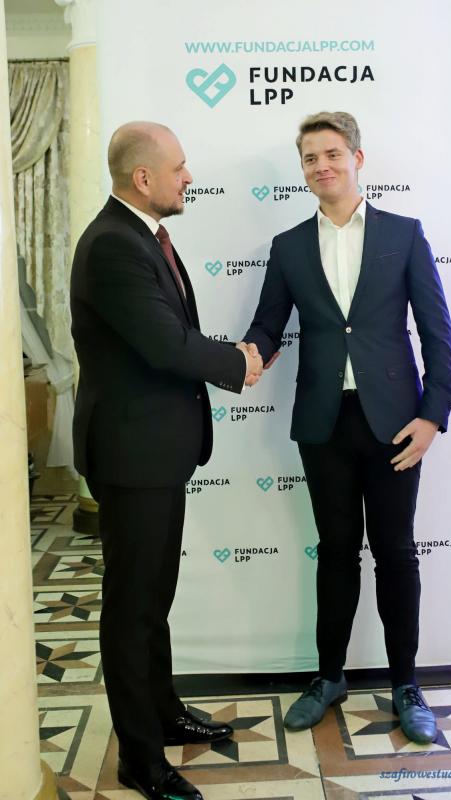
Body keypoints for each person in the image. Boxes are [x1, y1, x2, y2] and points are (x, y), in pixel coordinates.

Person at [243, 111, 451, 744]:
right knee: (335, 551)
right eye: (310, 158)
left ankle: (406, 684)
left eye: (332, 154)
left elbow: (438, 335)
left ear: (357, 159)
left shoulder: (403, 234)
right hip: (324, 423)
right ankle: (329, 676)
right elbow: (267, 324)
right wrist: (246, 356)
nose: (322, 166)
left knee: (396, 552)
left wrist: (432, 417)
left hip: (395, 424)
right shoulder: (288, 246)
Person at [70, 121, 262, 800]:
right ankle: (140, 759)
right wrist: (237, 362)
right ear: (143, 177)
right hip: (132, 456)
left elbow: (166, 335)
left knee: (153, 599)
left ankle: (162, 711)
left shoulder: (139, 236)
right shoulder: (113, 245)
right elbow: (164, 344)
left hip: (155, 453)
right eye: (179, 168)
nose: (189, 178)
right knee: (132, 609)